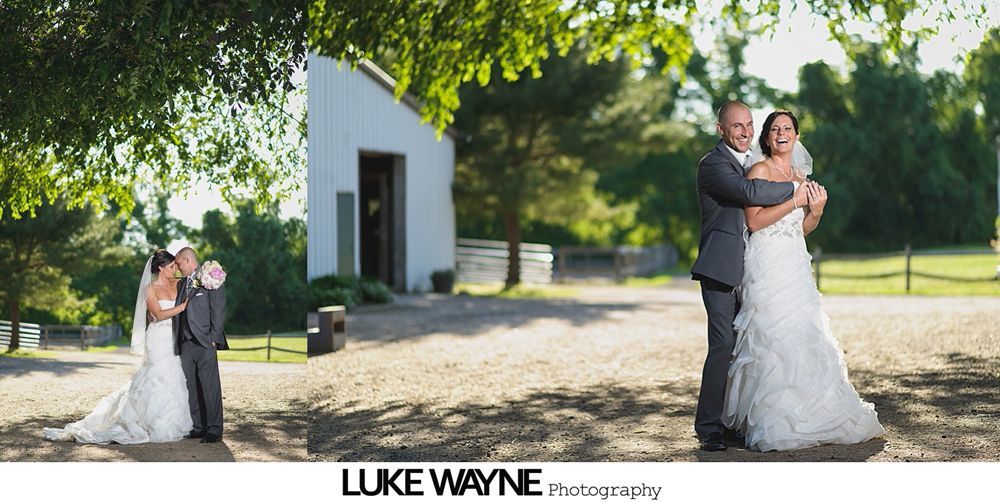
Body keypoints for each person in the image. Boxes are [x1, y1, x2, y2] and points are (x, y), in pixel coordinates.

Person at [721, 110, 885, 451]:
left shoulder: (800, 174)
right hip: (766, 263)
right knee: (771, 333)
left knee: (803, 330)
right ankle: (773, 418)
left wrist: (815, 212)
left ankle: (814, 410)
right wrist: (794, 200)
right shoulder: (760, 170)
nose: (782, 133)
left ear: (796, 136)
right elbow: (754, 221)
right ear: (767, 138)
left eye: (788, 128)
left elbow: (800, 229)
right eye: (775, 129)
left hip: (795, 263)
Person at [690, 100, 811, 452]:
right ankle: (708, 428)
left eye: (748, 124)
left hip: (755, 269)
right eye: (736, 125)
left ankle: (730, 422)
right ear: (720, 129)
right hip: (721, 269)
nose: (744, 131)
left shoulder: (751, 163)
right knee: (723, 346)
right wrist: (795, 191)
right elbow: (748, 194)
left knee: (746, 347)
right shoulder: (713, 165)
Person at [43, 250, 192, 444]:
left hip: (173, 338)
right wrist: (182, 307)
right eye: (172, 266)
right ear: (161, 268)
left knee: (175, 376)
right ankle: (149, 422)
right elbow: (157, 315)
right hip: (157, 339)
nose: (175, 269)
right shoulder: (150, 289)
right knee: (157, 375)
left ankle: (175, 420)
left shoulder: (178, 283)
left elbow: (191, 281)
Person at [173, 246, 228, 443]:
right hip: (186, 342)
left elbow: (219, 308)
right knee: (191, 386)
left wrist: (214, 337)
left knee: (210, 386)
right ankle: (199, 426)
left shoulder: (212, 276)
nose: (178, 268)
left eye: (179, 264)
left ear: (188, 261)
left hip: (205, 341)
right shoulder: (181, 284)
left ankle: (214, 429)